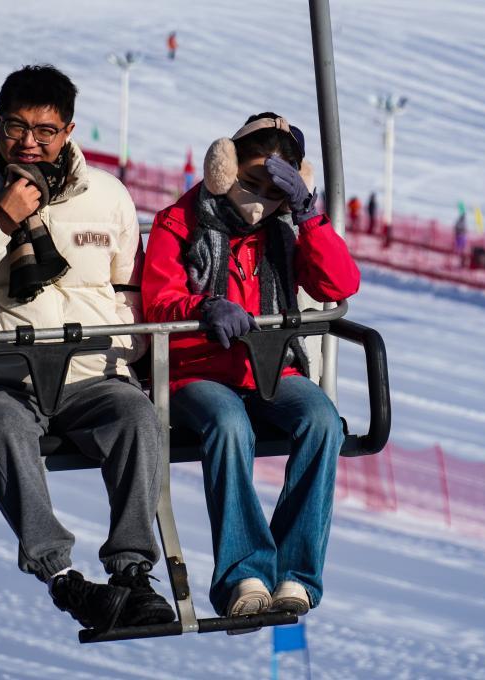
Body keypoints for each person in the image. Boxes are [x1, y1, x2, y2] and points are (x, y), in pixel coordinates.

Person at [0, 65, 175, 633]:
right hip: (3, 375)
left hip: (89, 374)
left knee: (138, 418)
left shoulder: (107, 196)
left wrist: (120, 354)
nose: (29, 142)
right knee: (4, 428)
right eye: (16, 127)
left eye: (45, 130)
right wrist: (0, 219)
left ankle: (132, 575)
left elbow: (128, 289)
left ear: (68, 131)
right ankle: (63, 577)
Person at [141, 113, 360, 628]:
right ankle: (245, 573)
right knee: (229, 424)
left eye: (275, 193)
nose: (260, 202)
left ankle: (295, 574)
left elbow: (340, 283)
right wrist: (203, 308)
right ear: (225, 167)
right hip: (194, 371)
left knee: (323, 420)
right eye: (250, 182)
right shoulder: (181, 221)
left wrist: (307, 215)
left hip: (270, 368)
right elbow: (157, 300)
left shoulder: (284, 232)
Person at [453, 202, 468, 268]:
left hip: (461, 237)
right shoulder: (460, 221)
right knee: (460, 251)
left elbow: (457, 228)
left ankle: (462, 264)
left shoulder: (462, 221)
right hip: (460, 237)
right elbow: (456, 228)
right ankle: (461, 264)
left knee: (461, 251)